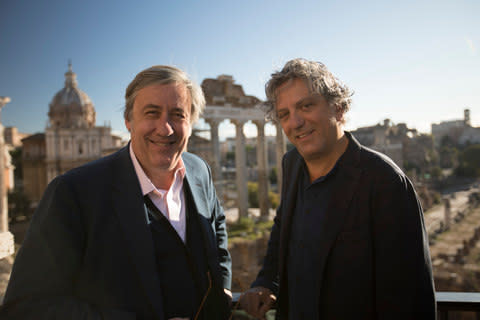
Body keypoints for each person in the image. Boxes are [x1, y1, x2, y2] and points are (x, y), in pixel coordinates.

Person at [2, 65, 232, 320]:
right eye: (151, 113)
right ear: (128, 121)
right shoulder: (72, 193)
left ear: (191, 122)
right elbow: (26, 307)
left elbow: (217, 226)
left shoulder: (199, 170)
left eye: (178, 114)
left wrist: (222, 286)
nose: (165, 128)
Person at [240, 58, 436, 319]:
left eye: (306, 106)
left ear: (340, 109)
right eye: (284, 114)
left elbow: (411, 297)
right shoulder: (292, 164)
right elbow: (282, 229)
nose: (295, 122)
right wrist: (266, 281)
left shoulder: (385, 181)